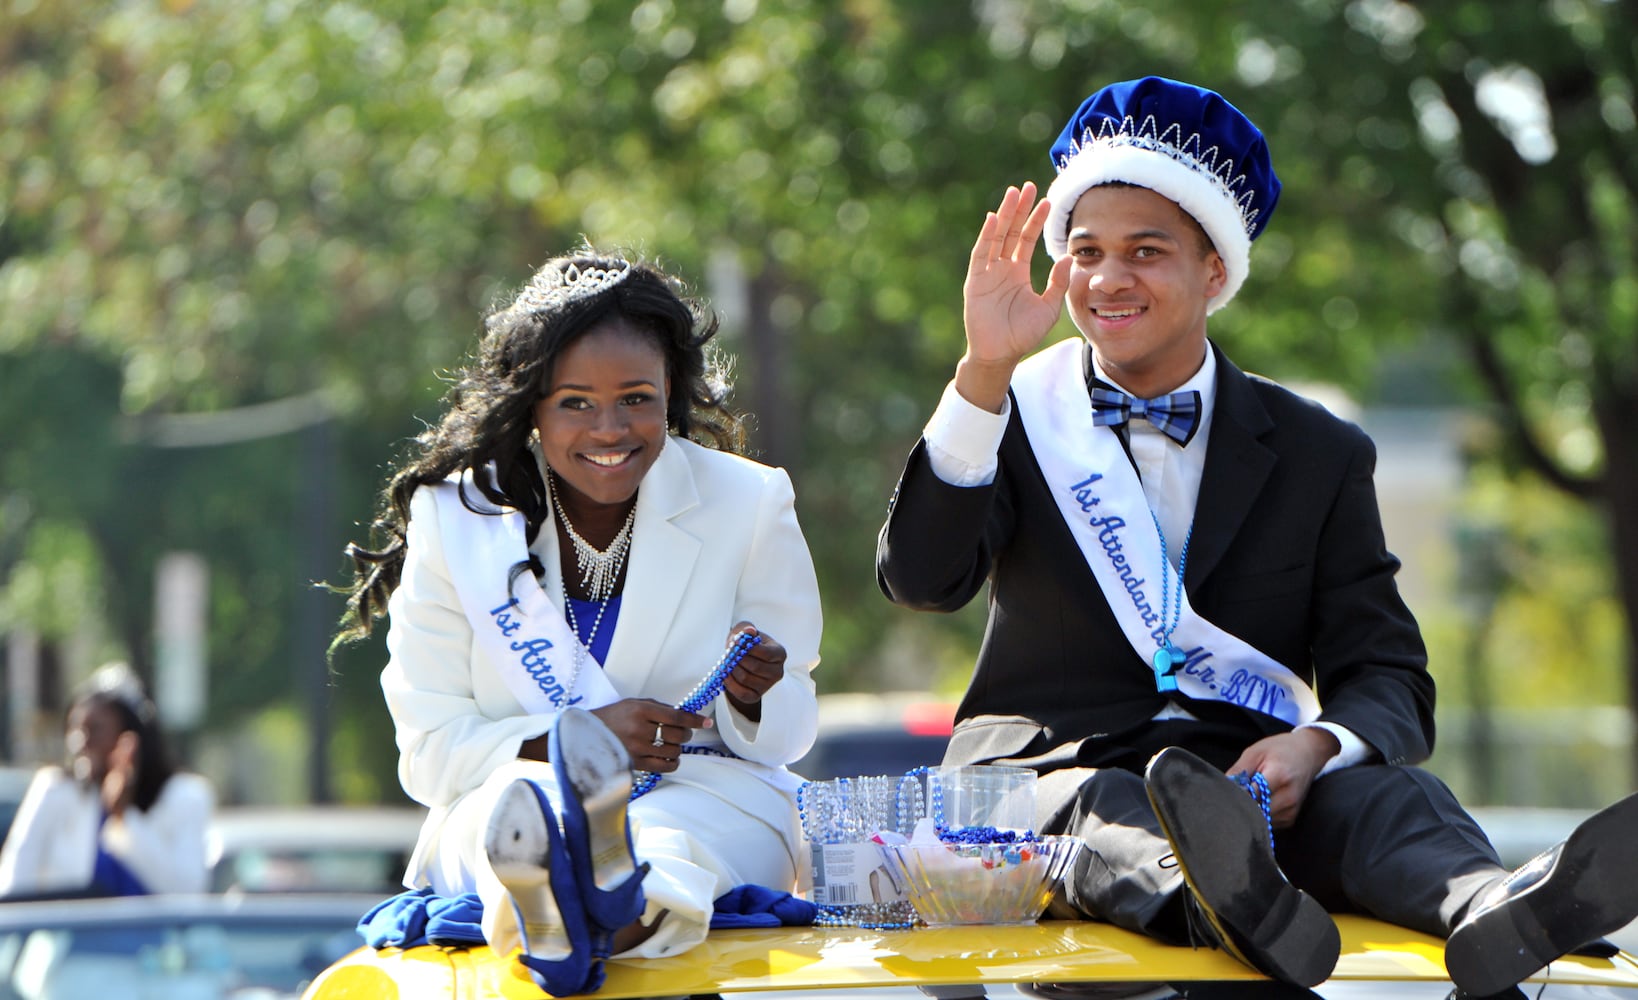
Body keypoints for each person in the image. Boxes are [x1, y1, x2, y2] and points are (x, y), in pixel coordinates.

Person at [875, 75, 1638, 994]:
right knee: (1105, 813)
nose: (1109, 278)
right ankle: (1213, 899)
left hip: (1246, 785)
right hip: (1050, 779)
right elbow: (922, 580)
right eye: (1086, 251)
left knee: (1393, 801)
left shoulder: (1320, 450)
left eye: (1146, 251)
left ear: (1215, 271)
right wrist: (984, 369)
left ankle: (1494, 910)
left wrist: (1314, 747)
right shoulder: (1013, 411)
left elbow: (1387, 674)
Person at [337, 249, 823, 996]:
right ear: (529, 403)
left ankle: (584, 910)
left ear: (671, 392)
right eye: (575, 402)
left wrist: (754, 695)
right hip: (516, 789)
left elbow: (790, 735)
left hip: (707, 791)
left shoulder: (747, 502)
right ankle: (564, 890)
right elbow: (430, 754)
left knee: (667, 846)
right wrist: (576, 741)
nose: (609, 429)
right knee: (515, 818)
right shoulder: (460, 520)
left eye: (636, 399)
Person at [0, 662, 214, 898]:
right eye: (76, 730)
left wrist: (123, 818)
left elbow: (187, 892)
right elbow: (13, 881)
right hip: (71, 933)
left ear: (129, 737)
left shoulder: (183, 795)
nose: (81, 743)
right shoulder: (55, 790)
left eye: (96, 730)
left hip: (157, 935)